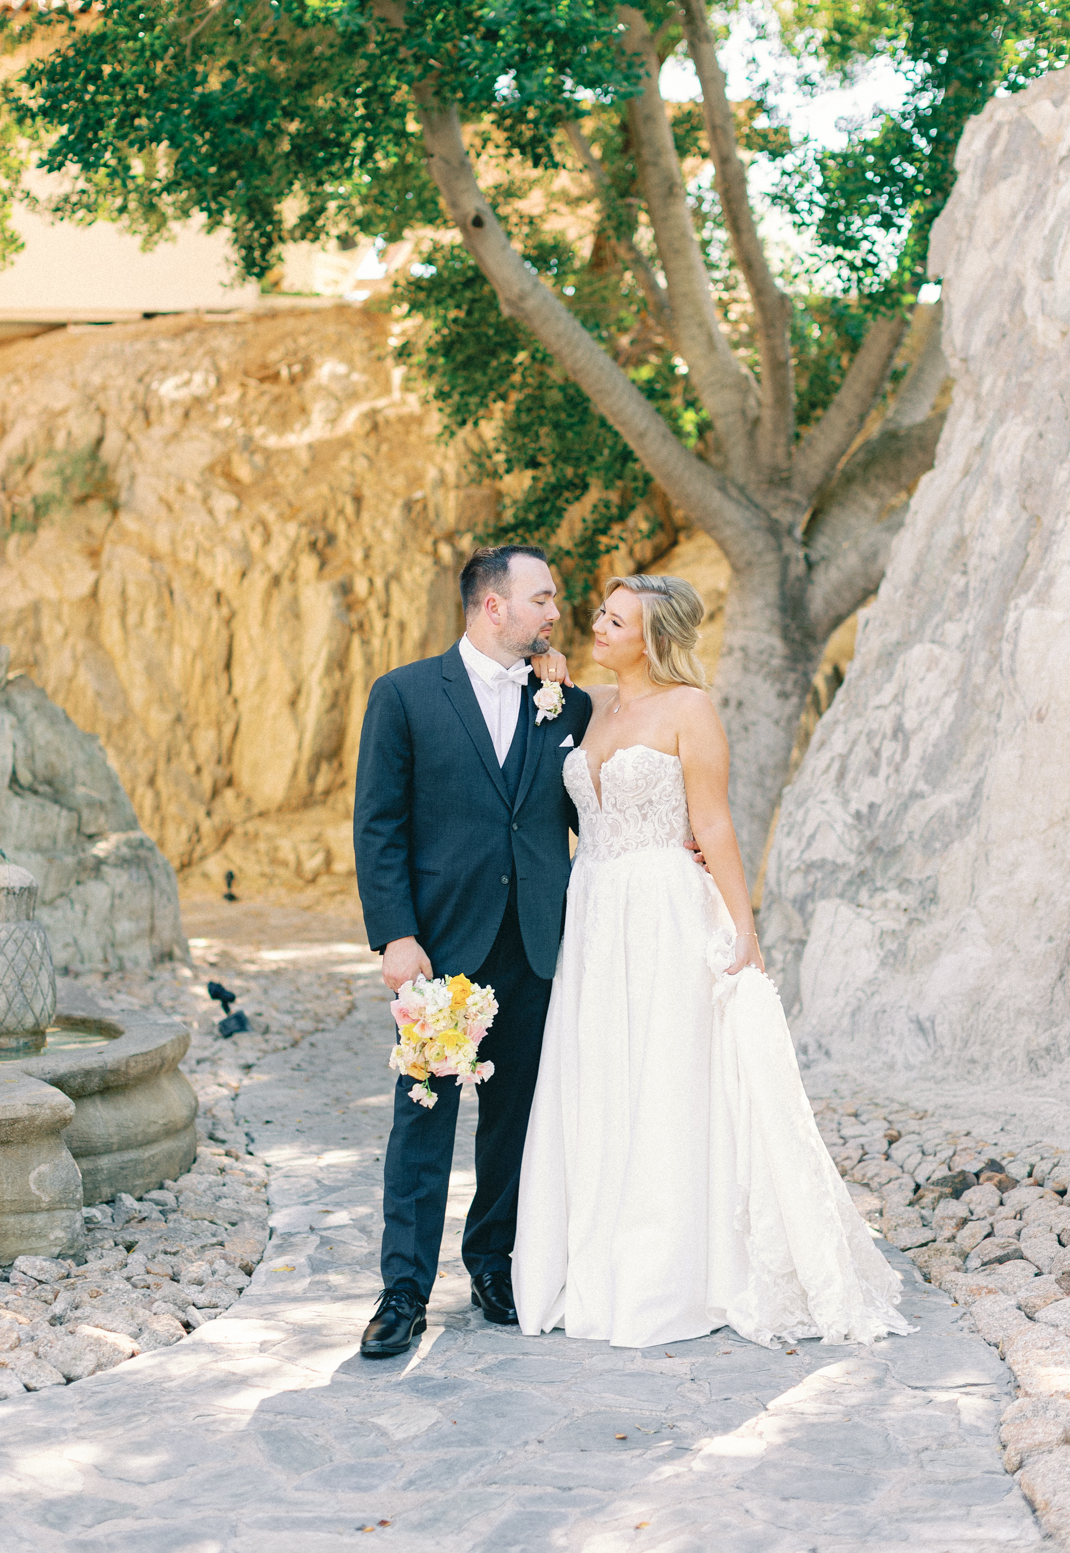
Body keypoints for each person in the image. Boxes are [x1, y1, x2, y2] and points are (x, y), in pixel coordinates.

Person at [512, 572, 913, 1349]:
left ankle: (668, 1273)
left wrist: (743, 926)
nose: (597, 623)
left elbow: (714, 822)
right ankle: (590, 1259)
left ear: (653, 637)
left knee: (664, 1076)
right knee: (598, 1074)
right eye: (599, 612)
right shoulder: (590, 706)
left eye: (614, 618)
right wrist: (555, 677)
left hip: (662, 907)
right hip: (593, 912)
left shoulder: (690, 710)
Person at [352, 544, 592, 1357]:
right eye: (542, 598)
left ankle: (493, 1261)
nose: (554, 611)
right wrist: (394, 934)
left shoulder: (567, 704)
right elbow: (378, 824)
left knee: (516, 1122)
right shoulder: (406, 695)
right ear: (494, 607)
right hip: (438, 953)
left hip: (535, 947)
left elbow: (591, 817)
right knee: (423, 1122)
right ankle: (403, 1291)